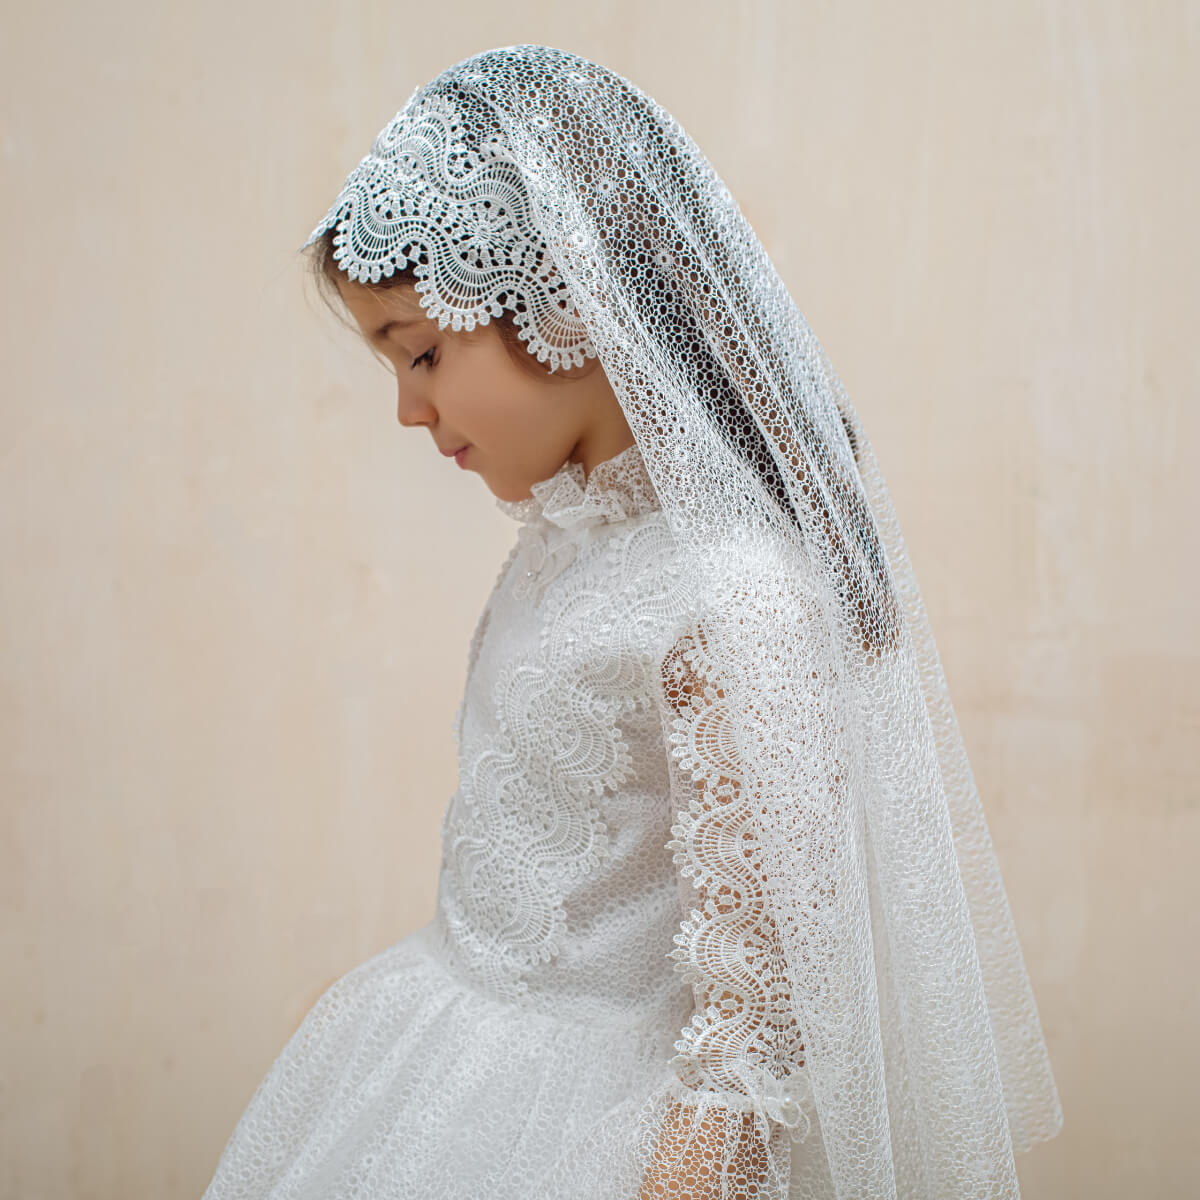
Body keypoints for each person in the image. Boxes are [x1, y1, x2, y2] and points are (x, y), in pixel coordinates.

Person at [202, 45, 1063, 1200]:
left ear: (564, 303)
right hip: (451, 1078)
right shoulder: (573, 537)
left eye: (420, 353)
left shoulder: (731, 599)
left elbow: (754, 1045)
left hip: (599, 1136)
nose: (408, 409)